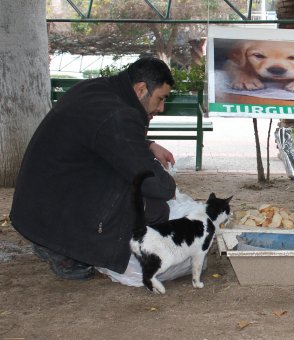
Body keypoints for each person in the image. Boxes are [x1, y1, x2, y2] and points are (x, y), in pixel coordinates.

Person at [10, 57, 177, 280]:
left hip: (38, 202)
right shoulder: (118, 114)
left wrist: (148, 145)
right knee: (155, 208)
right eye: (160, 99)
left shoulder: (99, 90)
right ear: (141, 89)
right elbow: (151, 183)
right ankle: (61, 249)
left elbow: (102, 135)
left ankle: (52, 238)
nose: (161, 108)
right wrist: (169, 183)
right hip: (50, 207)